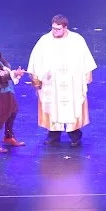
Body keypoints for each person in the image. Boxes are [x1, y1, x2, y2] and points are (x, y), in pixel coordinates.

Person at [26, 15, 97, 147]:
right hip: (51, 83)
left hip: (71, 82)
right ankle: (53, 134)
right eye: (53, 28)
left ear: (65, 27)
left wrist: (88, 75)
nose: (54, 31)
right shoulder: (45, 41)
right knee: (53, 108)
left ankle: (75, 135)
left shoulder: (76, 40)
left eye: (58, 29)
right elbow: (35, 60)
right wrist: (36, 78)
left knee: (72, 107)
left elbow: (85, 59)